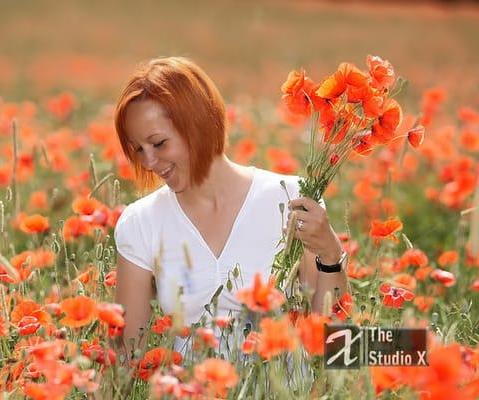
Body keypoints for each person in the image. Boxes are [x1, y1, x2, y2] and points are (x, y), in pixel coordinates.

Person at [113, 57, 349, 359]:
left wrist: (330, 254)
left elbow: (338, 346)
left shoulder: (291, 199)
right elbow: (127, 361)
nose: (148, 162)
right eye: (138, 149)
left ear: (198, 125)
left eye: (158, 144)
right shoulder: (141, 222)